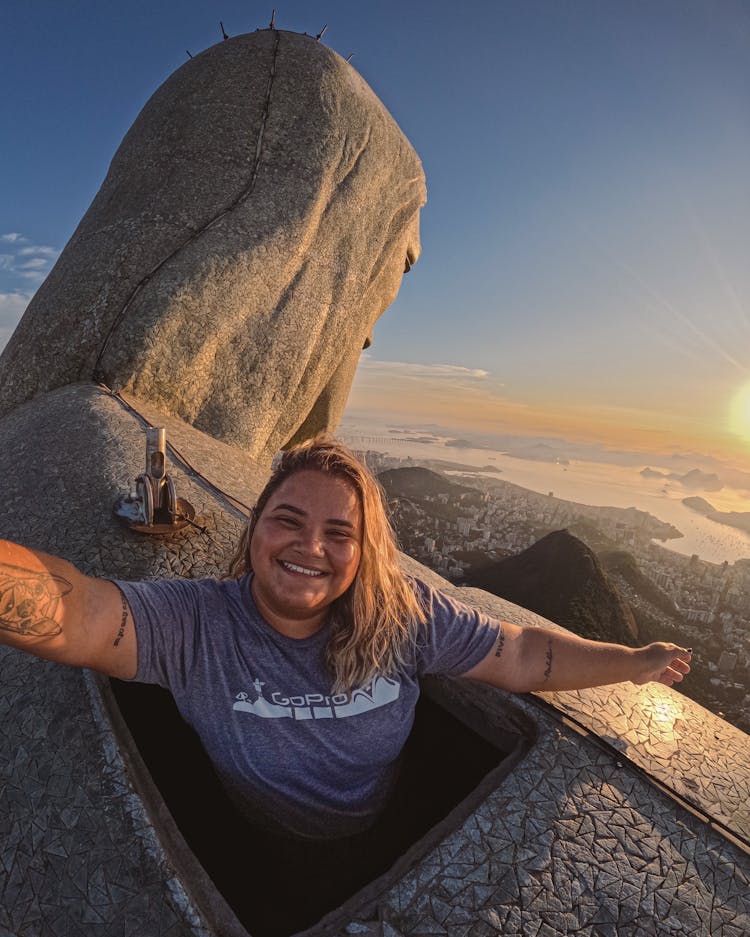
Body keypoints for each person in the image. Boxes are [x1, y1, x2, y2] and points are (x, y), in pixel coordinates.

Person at [0, 437, 692, 934]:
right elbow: (80, 612)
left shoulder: (405, 616)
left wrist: (629, 661)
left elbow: (521, 654)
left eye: (340, 532)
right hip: (266, 840)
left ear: (364, 552)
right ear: (258, 529)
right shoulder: (198, 624)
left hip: (381, 825)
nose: (312, 547)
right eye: (289, 521)